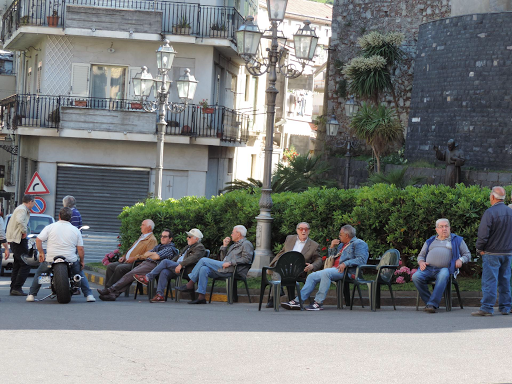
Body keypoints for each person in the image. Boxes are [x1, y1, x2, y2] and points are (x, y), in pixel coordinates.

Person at [282, 225, 368, 311]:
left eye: (340, 234)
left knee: (326, 273)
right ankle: (298, 301)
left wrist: (346, 263)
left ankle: (318, 302)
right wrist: (332, 247)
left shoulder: (359, 243)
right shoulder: (341, 245)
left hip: (348, 271)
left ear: (347, 235)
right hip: (335, 270)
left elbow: (361, 260)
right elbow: (332, 258)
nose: (339, 236)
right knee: (312, 276)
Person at [26, 207, 95, 302]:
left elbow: (38, 239)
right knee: (79, 273)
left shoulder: (50, 227)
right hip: (70, 259)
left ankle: (31, 295)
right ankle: (89, 295)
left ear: (59, 216)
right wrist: (82, 261)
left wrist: (41, 253)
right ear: (70, 218)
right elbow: (80, 248)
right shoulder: (75, 230)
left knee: (40, 273)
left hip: (50, 259)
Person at [175, 225, 253, 304]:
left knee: (203, 260)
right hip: (225, 267)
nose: (231, 235)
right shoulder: (233, 245)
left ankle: (190, 284)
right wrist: (224, 246)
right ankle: (201, 297)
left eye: (232, 233)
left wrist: (231, 263)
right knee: (203, 269)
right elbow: (223, 259)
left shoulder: (246, 244)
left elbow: (247, 259)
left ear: (238, 234)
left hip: (234, 269)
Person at [98, 228, 178, 301]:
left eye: (165, 236)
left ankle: (110, 289)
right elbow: (146, 253)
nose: (162, 238)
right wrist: (153, 254)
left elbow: (156, 257)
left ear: (170, 239)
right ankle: (113, 295)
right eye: (161, 236)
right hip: (147, 262)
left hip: (153, 265)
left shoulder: (170, 248)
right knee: (130, 276)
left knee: (130, 274)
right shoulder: (159, 246)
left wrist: (153, 254)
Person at [412, 218, 471, 313]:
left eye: (446, 226)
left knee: (443, 274)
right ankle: (430, 302)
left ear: (450, 228)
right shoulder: (430, 241)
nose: (444, 229)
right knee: (416, 276)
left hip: (445, 269)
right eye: (441, 227)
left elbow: (467, 255)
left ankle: (432, 304)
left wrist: (461, 259)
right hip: (428, 268)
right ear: (437, 230)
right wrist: (421, 262)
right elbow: (420, 256)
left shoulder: (457, 240)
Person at [134, 228, 207, 303]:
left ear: (196, 238)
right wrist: (170, 264)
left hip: (186, 268)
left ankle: (148, 277)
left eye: (189, 237)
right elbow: (178, 256)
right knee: (164, 271)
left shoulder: (200, 247)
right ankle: (160, 295)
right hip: (177, 267)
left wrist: (180, 265)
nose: (187, 238)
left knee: (165, 261)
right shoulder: (188, 246)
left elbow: (192, 258)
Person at [472, 186, 512, 316]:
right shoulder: (510, 212)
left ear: (493, 197)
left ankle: (487, 308)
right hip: (508, 252)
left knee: (490, 281)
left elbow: (483, 234)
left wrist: (480, 248)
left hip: (492, 253)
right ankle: (506, 307)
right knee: (505, 280)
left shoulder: (490, 212)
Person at [266, 222, 321, 308]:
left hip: (299, 270)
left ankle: (274, 298)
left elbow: (318, 259)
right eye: (301, 229)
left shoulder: (314, 245)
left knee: (278, 271)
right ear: (297, 230)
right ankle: (276, 295)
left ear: (309, 231)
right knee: (277, 268)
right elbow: (283, 252)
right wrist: (273, 263)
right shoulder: (289, 239)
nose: (303, 231)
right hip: (284, 267)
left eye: (306, 229)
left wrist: (312, 266)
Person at [103, 219, 157, 289]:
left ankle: (111, 289)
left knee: (119, 268)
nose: (141, 226)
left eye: (143, 225)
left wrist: (134, 258)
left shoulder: (152, 240)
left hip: (136, 264)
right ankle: (107, 288)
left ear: (149, 227)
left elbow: (148, 255)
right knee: (110, 266)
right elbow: (131, 249)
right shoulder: (142, 237)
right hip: (127, 261)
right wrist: (124, 256)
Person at [5, 195, 35, 296]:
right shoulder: (22, 209)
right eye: (33, 202)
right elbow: (20, 221)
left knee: (17, 264)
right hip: (18, 240)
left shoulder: (21, 209)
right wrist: (24, 231)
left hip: (16, 240)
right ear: (30, 201)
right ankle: (17, 287)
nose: (34, 204)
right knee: (25, 264)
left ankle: (14, 288)